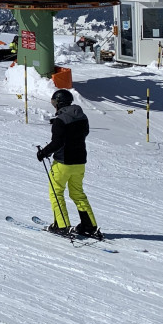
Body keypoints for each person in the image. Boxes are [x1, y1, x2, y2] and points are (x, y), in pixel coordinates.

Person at [37, 88, 101, 237]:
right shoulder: (82, 116)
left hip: (63, 163)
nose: (54, 106)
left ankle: (61, 225)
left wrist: (43, 153)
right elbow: (82, 133)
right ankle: (89, 226)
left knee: (56, 192)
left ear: (59, 103)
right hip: (79, 162)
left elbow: (57, 142)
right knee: (77, 194)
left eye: (54, 103)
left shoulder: (60, 120)